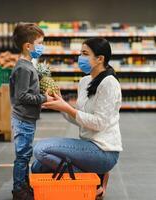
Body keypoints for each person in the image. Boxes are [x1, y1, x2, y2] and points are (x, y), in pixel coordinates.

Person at [31, 38, 123, 199]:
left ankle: (94, 179)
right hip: (87, 145)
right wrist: (61, 104)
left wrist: (67, 108)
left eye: (85, 53)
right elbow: (79, 118)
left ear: (100, 59)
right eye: (80, 53)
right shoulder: (85, 81)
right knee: (38, 167)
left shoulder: (109, 84)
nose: (80, 57)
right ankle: (90, 174)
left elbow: (99, 123)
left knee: (41, 149)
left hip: (103, 150)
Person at [10, 23, 53, 200]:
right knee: (22, 156)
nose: (42, 46)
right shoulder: (23, 68)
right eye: (40, 43)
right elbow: (22, 96)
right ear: (28, 46)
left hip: (27, 118)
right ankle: (19, 190)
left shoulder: (28, 65)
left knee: (25, 153)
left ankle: (24, 186)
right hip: (23, 119)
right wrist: (44, 98)